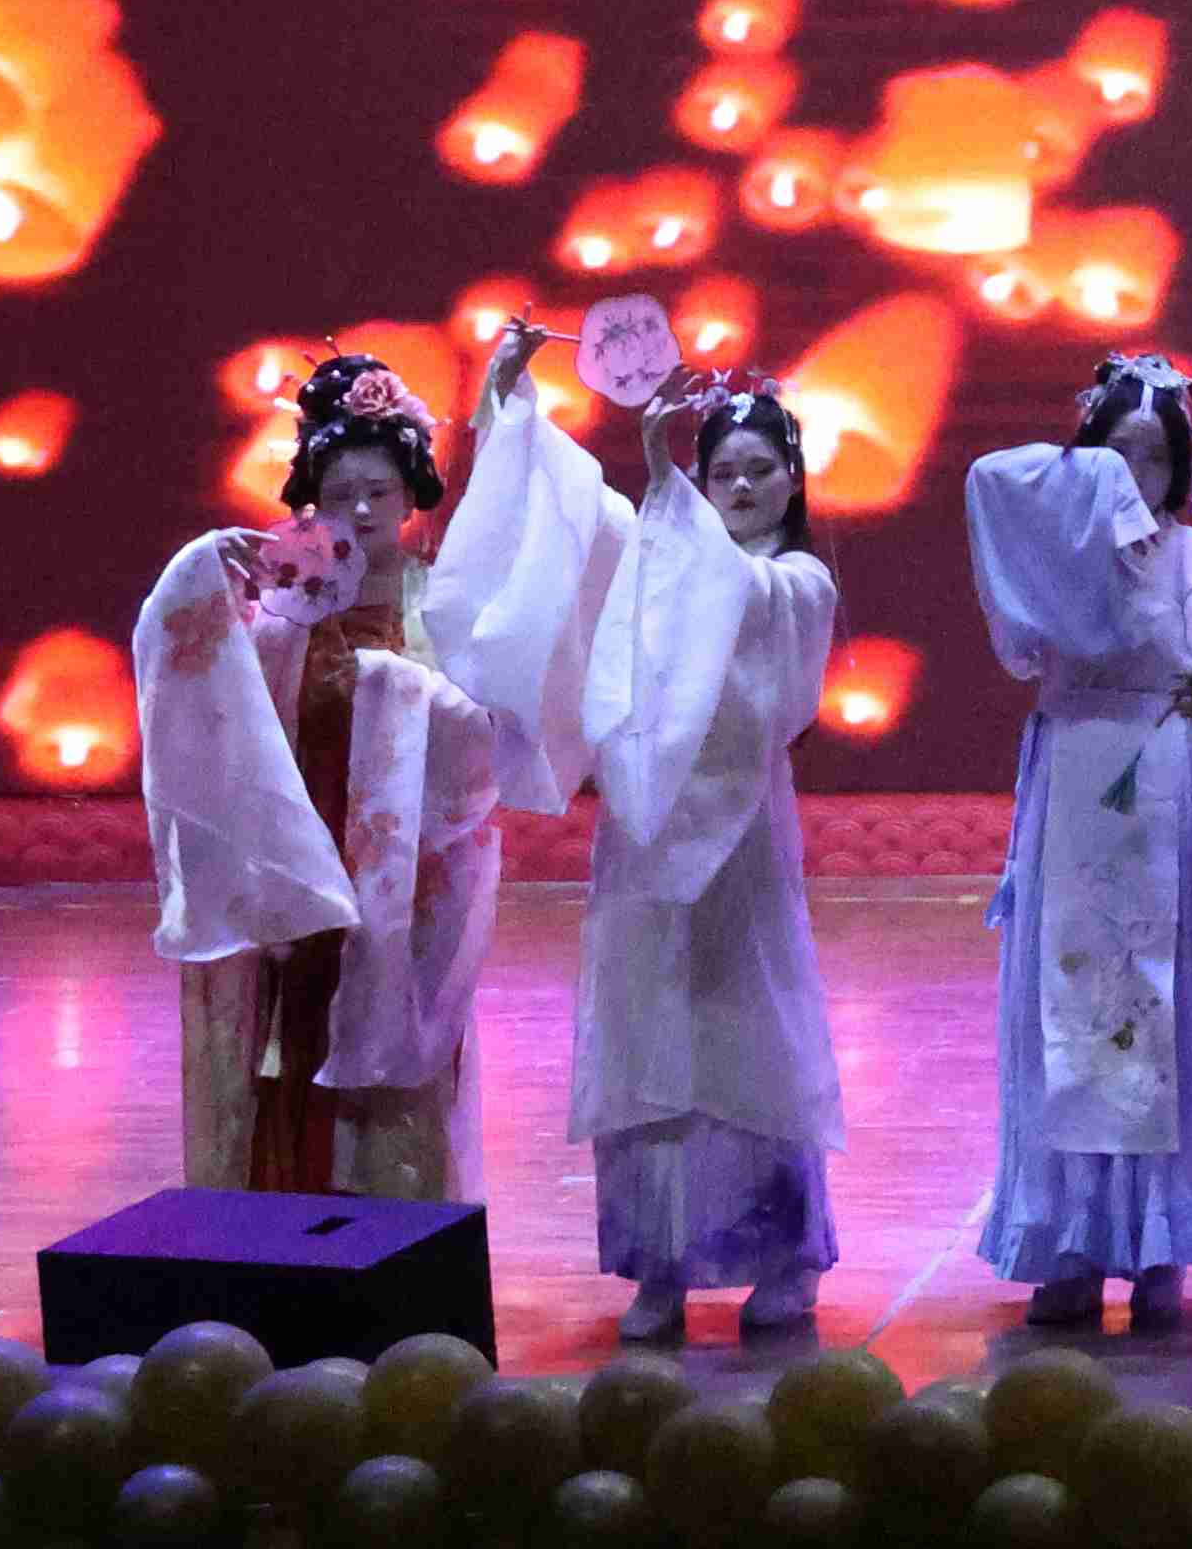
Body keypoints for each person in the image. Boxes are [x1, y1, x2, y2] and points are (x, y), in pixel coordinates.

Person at [417, 322, 846, 1340]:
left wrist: (666, 485)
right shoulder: (660, 549)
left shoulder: (797, 583)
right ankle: (661, 1264)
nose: (740, 486)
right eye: (722, 471)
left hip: (740, 835)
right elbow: (568, 523)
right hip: (645, 836)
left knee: (746, 1021)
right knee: (645, 1023)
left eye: (759, 469)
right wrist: (513, 404)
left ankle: (782, 1254)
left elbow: (731, 607)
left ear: (793, 480)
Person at [965, 349, 1192, 1332]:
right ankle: (1071, 1242)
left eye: (1155, 457)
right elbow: (991, 477)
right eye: (1117, 454)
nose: (1137, 475)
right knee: (1072, 1019)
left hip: (1174, 801)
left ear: (1182, 468)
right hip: (1075, 794)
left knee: (1164, 1022)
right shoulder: (1059, 558)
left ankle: (1161, 1243)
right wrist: (1084, 484)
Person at [136, 347, 505, 1202]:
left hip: (407, 879)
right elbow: (214, 705)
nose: (362, 510)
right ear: (311, 503)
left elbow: (486, 739)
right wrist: (203, 576)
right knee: (300, 1036)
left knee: (400, 1037)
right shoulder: (283, 609)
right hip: (309, 878)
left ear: (410, 496)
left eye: (379, 490)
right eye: (341, 495)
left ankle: (406, 1236)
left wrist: (394, 687)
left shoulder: (442, 603)